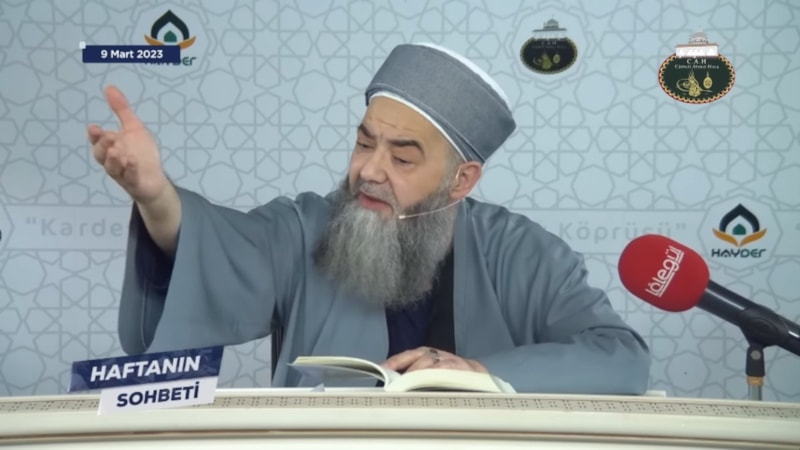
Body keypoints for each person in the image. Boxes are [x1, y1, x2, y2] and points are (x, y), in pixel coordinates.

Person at [88, 42, 651, 394]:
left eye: (402, 158)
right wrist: (156, 196)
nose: (369, 170)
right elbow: (218, 252)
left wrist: (482, 373)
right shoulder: (306, 228)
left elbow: (619, 359)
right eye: (364, 143)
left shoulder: (524, 253)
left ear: (462, 180)